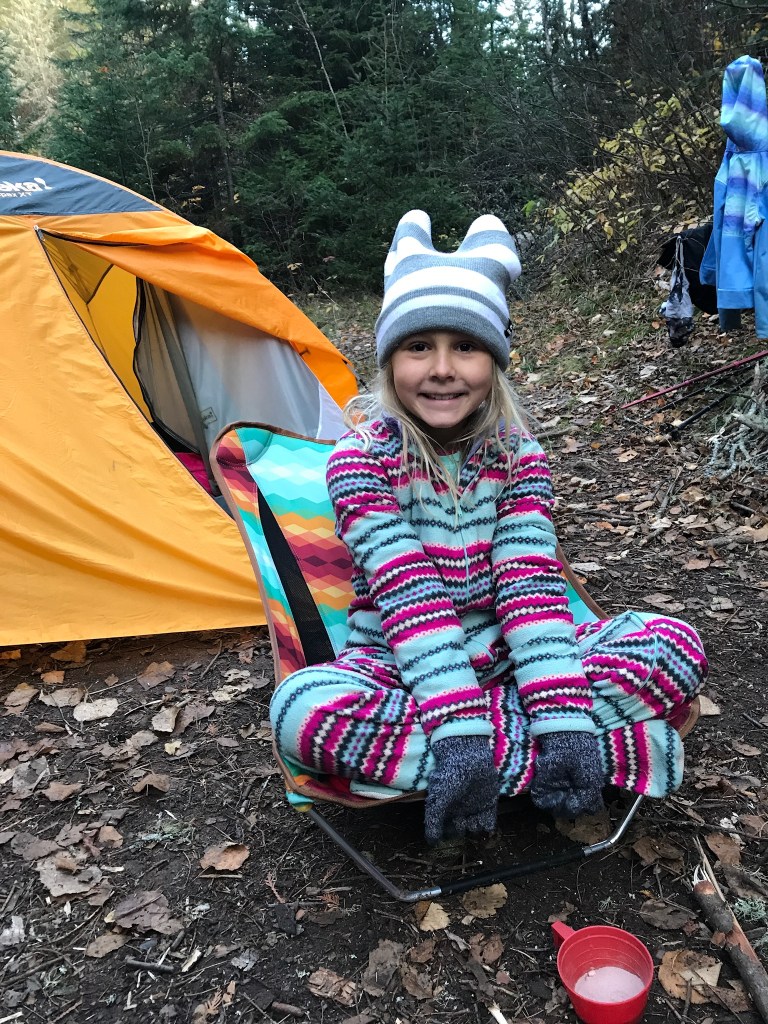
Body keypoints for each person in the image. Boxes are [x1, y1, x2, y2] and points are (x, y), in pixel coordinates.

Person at [270, 210, 708, 845]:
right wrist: (458, 731)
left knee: (675, 645)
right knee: (301, 710)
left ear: (495, 362)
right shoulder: (360, 460)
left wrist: (559, 715)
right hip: (399, 663)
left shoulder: (518, 455)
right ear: (390, 361)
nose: (442, 368)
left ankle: (522, 748)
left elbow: (531, 587)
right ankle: (588, 752)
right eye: (419, 346)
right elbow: (409, 597)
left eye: (466, 346)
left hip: (516, 656)